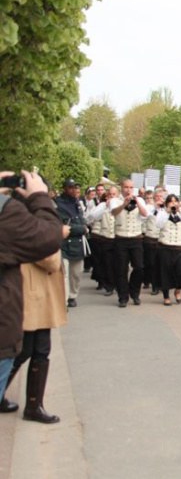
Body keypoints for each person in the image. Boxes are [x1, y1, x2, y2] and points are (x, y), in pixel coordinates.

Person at [0, 170, 64, 409]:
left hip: (31, 294)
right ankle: (32, 406)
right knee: (27, 350)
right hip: (31, 294)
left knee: (33, 349)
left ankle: (33, 404)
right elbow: (49, 253)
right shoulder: (19, 216)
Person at [0, 249, 66, 423]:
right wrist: (56, 237)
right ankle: (33, 407)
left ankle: (33, 405)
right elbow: (49, 259)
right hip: (34, 292)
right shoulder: (33, 223)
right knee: (31, 350)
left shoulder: (24, 222)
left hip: (32, 290)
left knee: (29, 349)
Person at [109, 179, 149, 307]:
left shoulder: (139, 200)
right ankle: (123, 296)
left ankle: (135, 292)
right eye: (126, 187)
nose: (129, 189)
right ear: (122, 188)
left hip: (136, 238)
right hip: (121, 238)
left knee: (139, 267)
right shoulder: (115, 200)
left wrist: (137, 202)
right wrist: (123, 204)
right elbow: (113, 212)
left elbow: (145, 214)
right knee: (121, 269)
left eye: (131, 187)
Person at [54, 179, 87, 308]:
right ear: (64, 189)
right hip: (64, 242)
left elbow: (81, 219)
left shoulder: (77, 203)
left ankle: (73, 295)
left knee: (76, 273)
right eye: (70, 187)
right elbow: (62, 224)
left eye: (75, 187)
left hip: (77, 242)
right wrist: (80, 228)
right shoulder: (57, 204)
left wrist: (83, 226)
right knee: (64, 273)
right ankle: (65, 299)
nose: (74, 190)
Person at [155, 194, 181, 305]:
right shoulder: (162, 213)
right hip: (165, 247)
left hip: (180, 247)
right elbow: (159, 225)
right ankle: (166, 296)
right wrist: (167, 211)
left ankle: (178, 290)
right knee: (165, 272)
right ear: (167, 204)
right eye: (171, 201)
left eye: (175, 201)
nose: (174, 203)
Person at [86, 185, 118, 296]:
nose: (112, 197)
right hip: (105, 237)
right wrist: (105, 207)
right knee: (107, 263)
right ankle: (108, 285)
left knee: (118, 264)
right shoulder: (103, 205)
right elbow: (92, 216)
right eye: (110, 195)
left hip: (118, 237)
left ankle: (118, 284)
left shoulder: (121, 204)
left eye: (114, 195)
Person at [142, 190, 166, 295]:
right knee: (151, 263)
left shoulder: (167, 209)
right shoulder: (149, 208)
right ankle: (154, 285)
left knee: (162, 264)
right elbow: (144, 216)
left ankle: (161, 284)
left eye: (161, 197)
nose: (158, 198)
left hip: (163, 239)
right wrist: (154, 208)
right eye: (156, 196)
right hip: (150, 238)